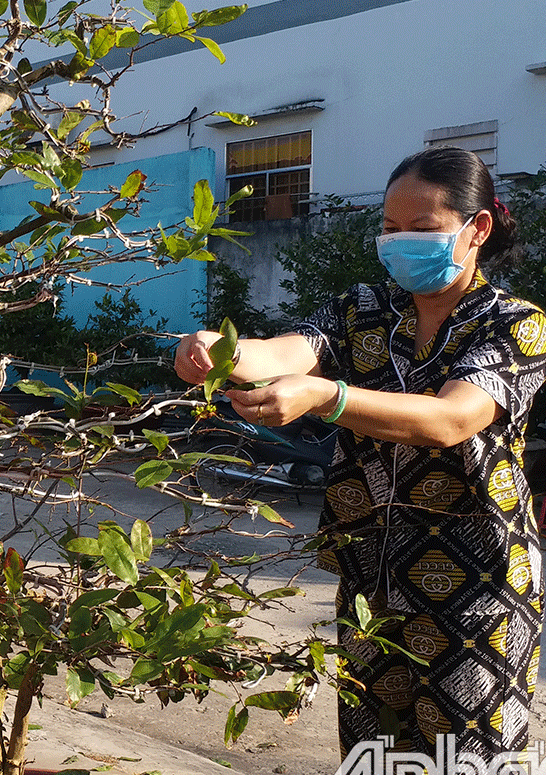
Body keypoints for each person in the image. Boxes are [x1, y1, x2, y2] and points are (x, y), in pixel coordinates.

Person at [175, 146, 546, 761]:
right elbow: (292, 350)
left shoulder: (515, 324)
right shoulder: (364, 310)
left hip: (478, 590)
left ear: (475, 229)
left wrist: (327, 397)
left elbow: (454, 417)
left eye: (422, 230)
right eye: (391, 229)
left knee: (468, 760)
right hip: (369, 581)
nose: (401, 243)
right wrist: (219, 350)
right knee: (373, 756)